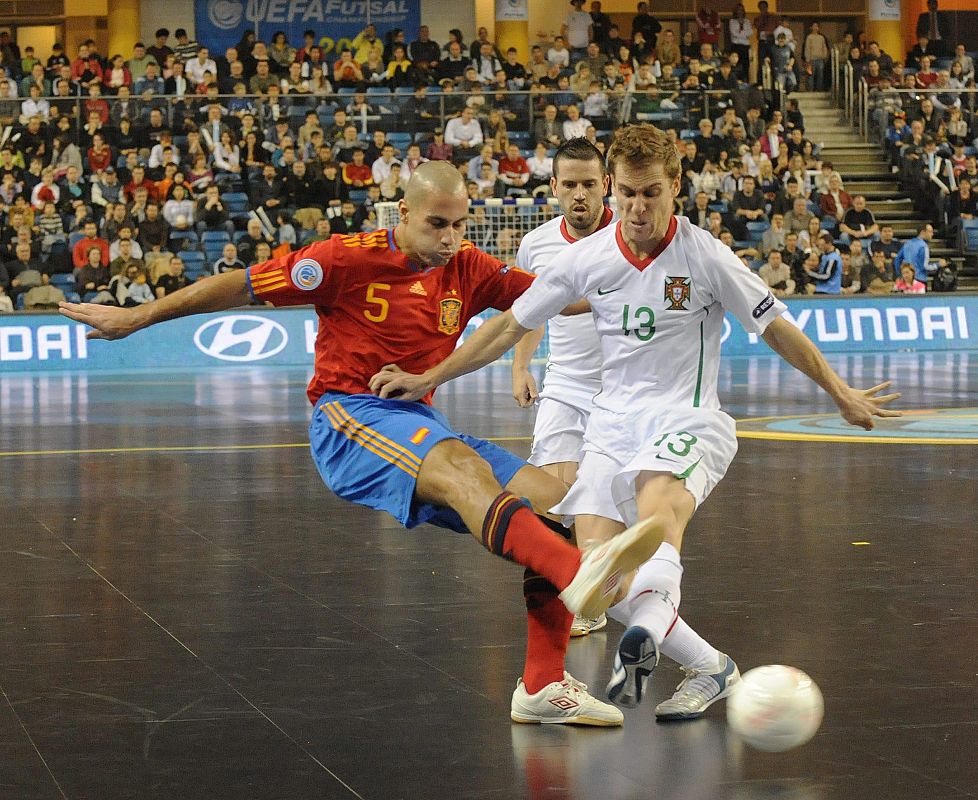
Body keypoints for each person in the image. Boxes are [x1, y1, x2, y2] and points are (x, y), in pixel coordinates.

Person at [60, 162, 654, 727]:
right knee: (463, 468)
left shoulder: (469, 268)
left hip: (420, 421)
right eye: (437, 225)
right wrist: (136, 318)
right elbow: (238, 287)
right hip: (350, 418)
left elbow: (564, 298)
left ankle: (544, 684)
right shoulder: (342, 259)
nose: (451, 239)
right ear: (405, 211)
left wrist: (642, 270)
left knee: (557, 507)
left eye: (460, 224)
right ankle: (584, 575)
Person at [370, 125, 900, 719]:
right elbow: (508, 326)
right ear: (611, 189)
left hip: (688, 416)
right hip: (609, 427)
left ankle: (642, 641)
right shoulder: (585, 259)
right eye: (626, 194)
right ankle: (708, 665)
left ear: (675, 186)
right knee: (594, 575)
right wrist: (429, 376)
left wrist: (839, 391)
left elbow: (775, 326)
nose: (637, 208)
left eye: (651, 193)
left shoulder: (705, 255)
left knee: (658, 507)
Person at [510, 138, 616, 636]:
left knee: (605, 501)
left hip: (624, 391)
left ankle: (601, 591)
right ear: (553, 187)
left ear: (606, 186)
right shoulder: (537, 244)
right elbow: (530, 313)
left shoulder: (632, 234)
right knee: (552, 494)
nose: (579, 194)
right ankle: (573, 595)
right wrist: (520, 367)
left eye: (589, 185)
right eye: (569, 184)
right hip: (567, 383)